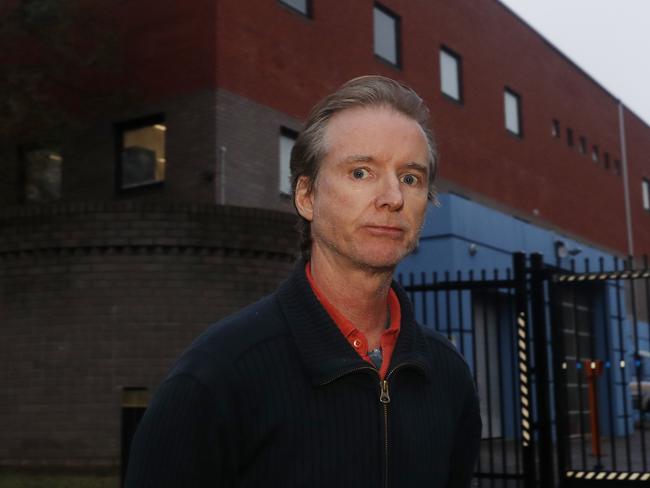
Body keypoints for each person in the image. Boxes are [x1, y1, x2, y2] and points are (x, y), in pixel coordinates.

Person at [126, 75, 481, 487]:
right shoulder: (215, 377)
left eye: (410, 178)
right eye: (362, 172)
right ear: (306, 196)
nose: (392, 197)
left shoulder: (449, 374)